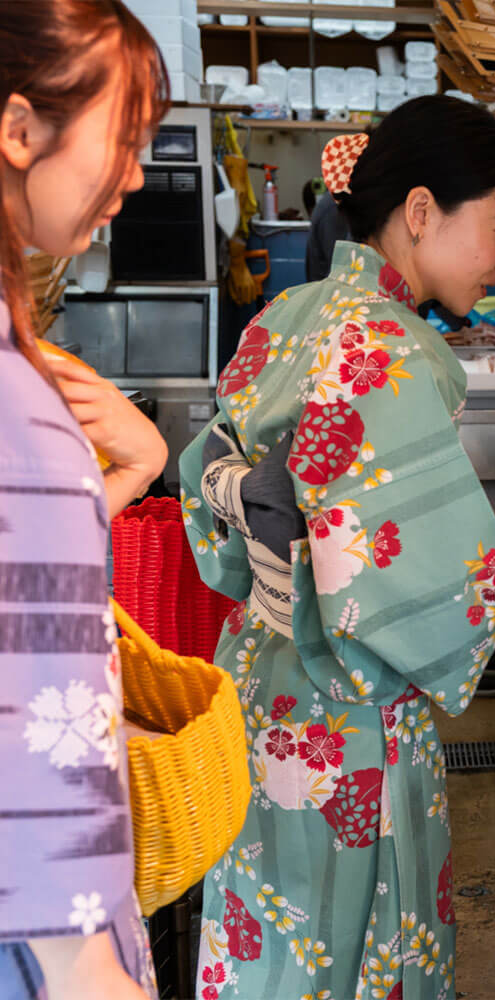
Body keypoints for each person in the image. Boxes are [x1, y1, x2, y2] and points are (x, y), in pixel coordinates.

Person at [178, 95, 495, 1000]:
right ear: (421, 212)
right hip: (345, 702)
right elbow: (382, 569)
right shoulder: (388, 345)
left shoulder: (289, 315)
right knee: (358, 934)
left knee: (273, 926)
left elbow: (217, 485)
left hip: (261, 677)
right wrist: (490, 590)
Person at [0, 3, 170, 999]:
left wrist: (132, 468)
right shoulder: (16, 391)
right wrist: (88, 967)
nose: (138, 176)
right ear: (21, 130)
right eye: (126, 139)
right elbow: (37, 713)